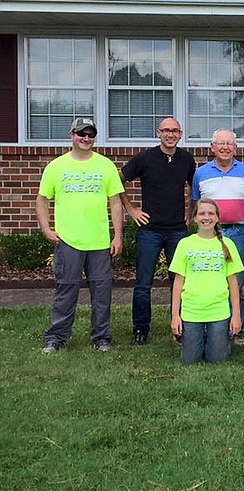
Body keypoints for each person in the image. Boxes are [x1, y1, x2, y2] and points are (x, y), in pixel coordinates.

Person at [37, 117, 124, 353]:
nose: (86, 139)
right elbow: (42, 200)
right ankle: (56, 337)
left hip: (99, 241)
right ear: (72, 135)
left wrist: (117, 236)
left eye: (90, 135)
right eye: (81, 134)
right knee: (66, 289)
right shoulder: (56, 167)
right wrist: (46, 228)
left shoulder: (105, 166)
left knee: (102, 292)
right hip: (68, 240)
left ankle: (101, 337)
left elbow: (115, 202)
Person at [120, 116, 196, 345]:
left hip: (177, 231)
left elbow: (193, 187)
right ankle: (140, 330)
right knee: (143, 284)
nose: (170, 134)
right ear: (158, 133)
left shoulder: (186, 160)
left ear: (180, 134)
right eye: (166, 130)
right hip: (149, 231)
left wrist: (190, 211)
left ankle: (180, 329)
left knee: (179, 282)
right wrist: (131, 209)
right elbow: (117, 181)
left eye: (175, 131)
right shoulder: (145, 158)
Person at [191, 129, 244, 345]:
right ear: (212, 147)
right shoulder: (201, 173)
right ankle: (210, 326)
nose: (225, 147)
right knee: (207, 278)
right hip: (209, 233)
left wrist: (236, 218)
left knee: (235, 281)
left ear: (235, 148)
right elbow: (195, 203)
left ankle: (236, 330)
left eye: (230, 143)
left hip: (236, 232)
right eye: (221, 143)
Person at [169, 198, 244, 365]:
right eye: (201, 213)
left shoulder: (227, 244)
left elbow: (233, 283)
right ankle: (198, 339)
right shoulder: (185, 244)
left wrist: (236, 315)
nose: (206, 217)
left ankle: (218, 341)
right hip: (192, 311)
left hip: (219, 311)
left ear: (217, 217)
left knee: (217, 360)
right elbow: (178, 282)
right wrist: (175, 315)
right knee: (190, 361)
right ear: (195, 217)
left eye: (211, 213)